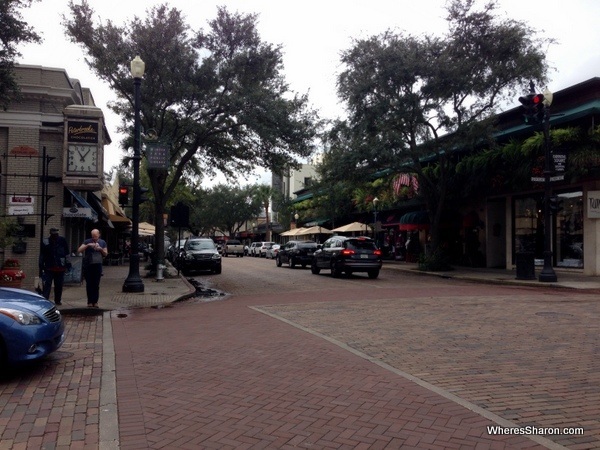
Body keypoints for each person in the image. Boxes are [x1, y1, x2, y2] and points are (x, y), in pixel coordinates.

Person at [39, 228, 70, 305]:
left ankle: (57, 300)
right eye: (54, 234)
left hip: (60, 266)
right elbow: (42, 254)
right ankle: (45, 299)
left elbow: (67, 253)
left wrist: (68, 264)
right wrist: (41, 264)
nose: (55, 235)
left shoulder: (62, 240)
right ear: (51, 234)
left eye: (56, 234)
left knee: (59, 285)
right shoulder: (46, 241)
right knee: (47, 284)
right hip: (49, 266)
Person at [78, 229, 108, 308]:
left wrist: (100, 249)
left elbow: (105, 254)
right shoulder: (87, 241)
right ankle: (90, 301)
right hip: (88, 265)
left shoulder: (102, 242)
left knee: (96, 284)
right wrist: (88, 245)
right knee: (89, 284)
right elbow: (79, 250)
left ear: (99, 235)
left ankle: (95, 301)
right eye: (93, 236)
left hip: (97, 265)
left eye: (96, 236)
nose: (94, 238)